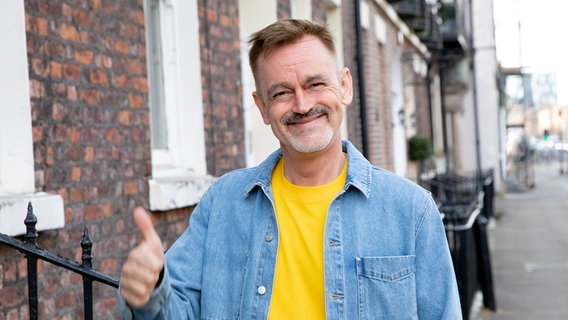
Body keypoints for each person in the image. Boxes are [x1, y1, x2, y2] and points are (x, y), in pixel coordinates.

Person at [118, 19, 462, 319]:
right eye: (282, 92)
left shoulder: (412, 211)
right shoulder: (222, 204)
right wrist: (149, 292)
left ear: (344, 86)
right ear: (262, 108)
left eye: (315, 84)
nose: (302, 104)